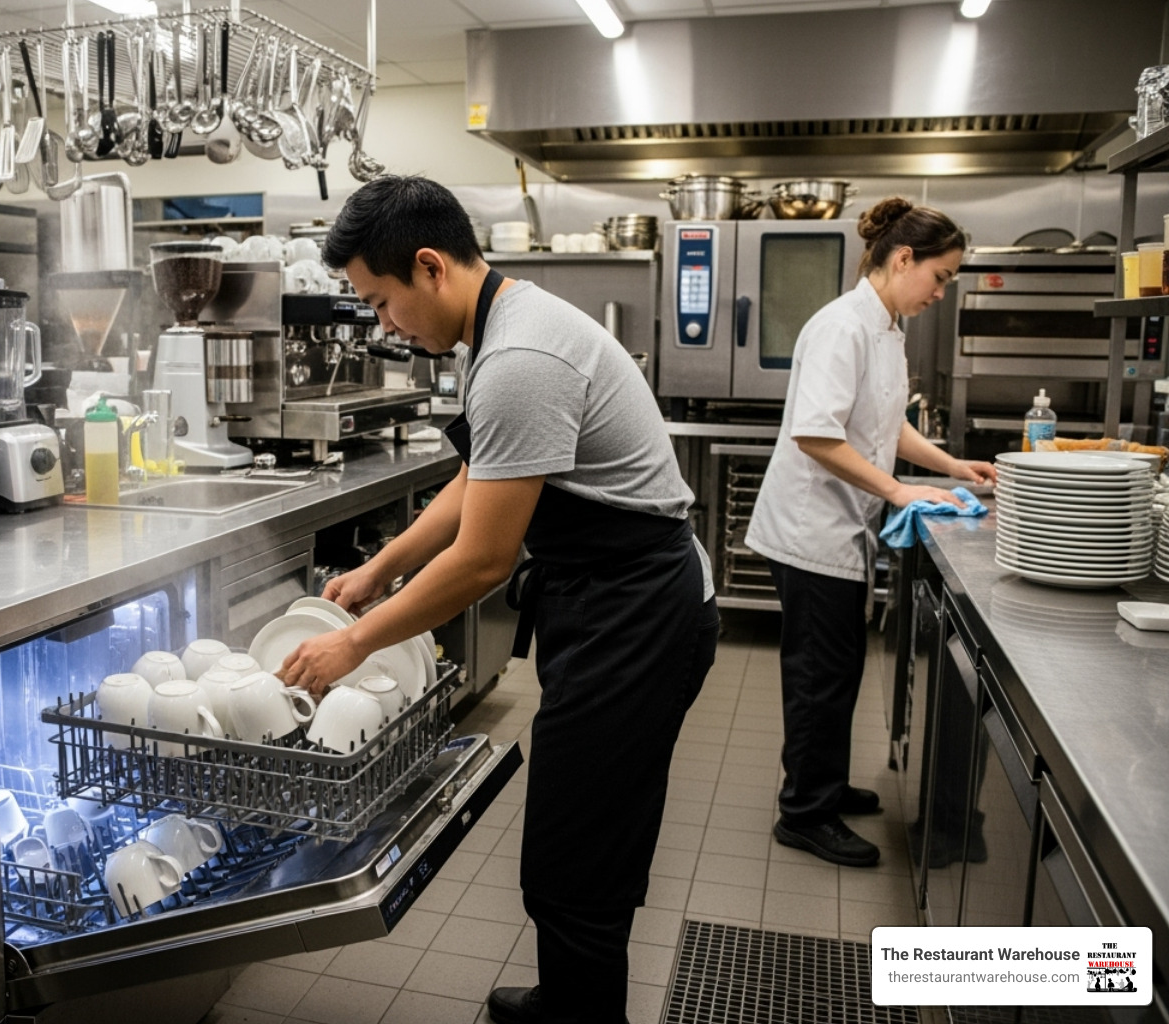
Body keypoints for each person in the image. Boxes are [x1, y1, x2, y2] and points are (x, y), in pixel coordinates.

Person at [276, 176, 720, 1024]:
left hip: (636, 613)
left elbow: (483, 559)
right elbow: (484, 475)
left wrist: (355, 641)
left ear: (430, 267)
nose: (385, 326)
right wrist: (384, 567)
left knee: (581, 854)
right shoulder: (503, 322)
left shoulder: (518, 358)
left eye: (381, 302)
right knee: (575, 836)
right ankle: (567, 998)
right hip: (606, 599)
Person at [745, 197, 997, 868]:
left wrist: (950, 466)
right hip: (811, 532)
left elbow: (888, 422)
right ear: (903, 258)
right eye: (939, 278)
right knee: (819, 678)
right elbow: (816, 433)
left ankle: (822, 786)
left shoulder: (886, 327)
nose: (940, 294)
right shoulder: (842, 327)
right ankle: (803, 813)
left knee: (839, 671)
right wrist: (896, 489)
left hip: (841, 529)